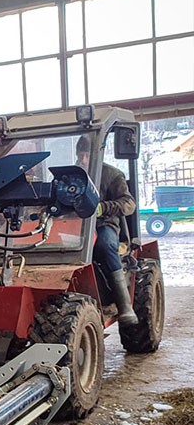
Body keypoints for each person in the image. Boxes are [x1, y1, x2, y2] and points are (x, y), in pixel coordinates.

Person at [76, 135, 138, 325]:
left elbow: (129, 203)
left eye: (87, 155)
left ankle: (124, 305)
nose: (83, 160)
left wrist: (104, 208)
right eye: (80, 155)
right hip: (75, 226)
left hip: (104, 225)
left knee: (104, 245)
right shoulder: (72, 176)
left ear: (97, 154)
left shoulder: (112, 175)